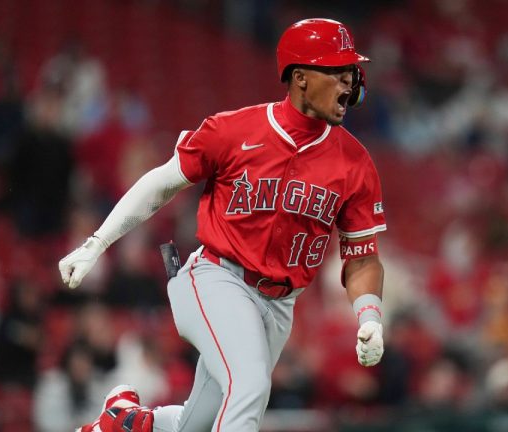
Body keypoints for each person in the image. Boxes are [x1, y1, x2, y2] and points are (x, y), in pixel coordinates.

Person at [58, 18, 387, 432]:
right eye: (337, 72)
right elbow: (161, 183)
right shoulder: (235, 130)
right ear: (300, 77)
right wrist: (97, 242)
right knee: (249, 385)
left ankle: (126, 421)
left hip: (280, 305)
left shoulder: (355, 163)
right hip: (216, 277)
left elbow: (362, 257)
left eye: (350, 73)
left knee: (199, 423)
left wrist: (369, 315)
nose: (348, 83)